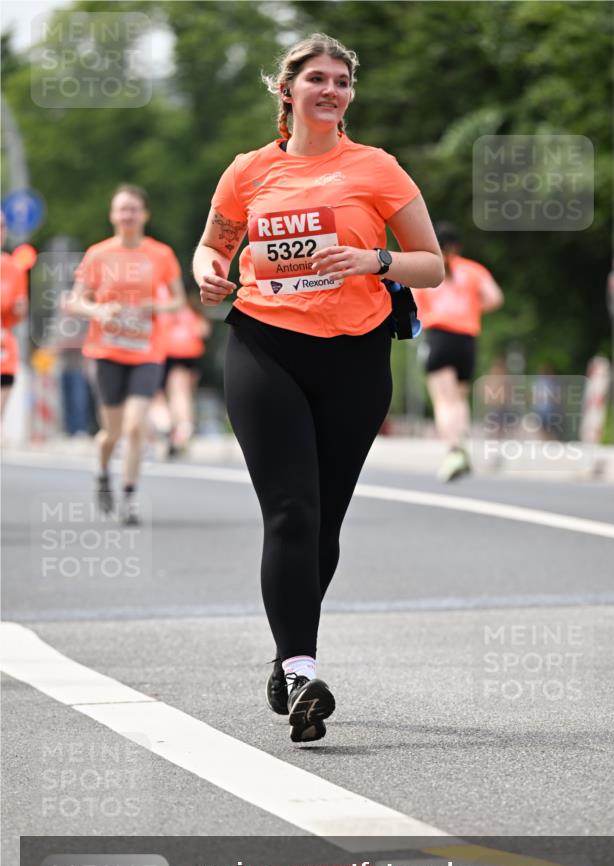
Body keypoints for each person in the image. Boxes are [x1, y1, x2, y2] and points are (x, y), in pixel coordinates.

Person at [193, 33, 443, 743]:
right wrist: (206, 272)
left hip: (355, 359)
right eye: (316, 80)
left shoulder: (376, 168)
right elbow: (215, 243)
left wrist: (373, 256)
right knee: (292, 515)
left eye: (341, 81)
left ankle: (284, 651)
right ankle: (303, 669)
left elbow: (431, 265)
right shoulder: (247, 172)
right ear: (287, 89)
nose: (330, 91)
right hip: (263, 346)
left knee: (324, 525)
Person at [64, 185, 185, 524]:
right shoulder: (98, 254)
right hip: (106, 350)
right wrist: (99, 312)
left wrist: (153, 305)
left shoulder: (160, 254)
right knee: (111, 433)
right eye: (121, 209)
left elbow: (177, 300)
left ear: (144, 214)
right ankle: (102, 471)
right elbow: (75, 300)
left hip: (147, 350)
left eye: (133, 209)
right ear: (112, 215)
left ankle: (129, 498)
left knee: (135, 427)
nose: (127, 215)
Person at [413, 223, 503, 482]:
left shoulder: (429, 269)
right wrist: (471, 308)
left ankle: (453, 450)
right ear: (458, 247)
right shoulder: (473, 270)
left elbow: (415, 305)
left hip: (440, 336)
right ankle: (462, 444)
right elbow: (495, 298)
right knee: (460, 398)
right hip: (467, 339)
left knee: (443, 399)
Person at [151, 289, 211, 457]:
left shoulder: (164, 306)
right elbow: (204, 330)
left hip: (169, 352)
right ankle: (182, 429)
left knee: (163, 395)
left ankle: (169, 427)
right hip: (189, 354)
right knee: (182, 393)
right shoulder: (192, 309)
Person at [0, 212, 29, 421]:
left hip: (3, 351)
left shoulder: (13, 268)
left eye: (1, 226)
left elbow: (13, 319)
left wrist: (20, 311)